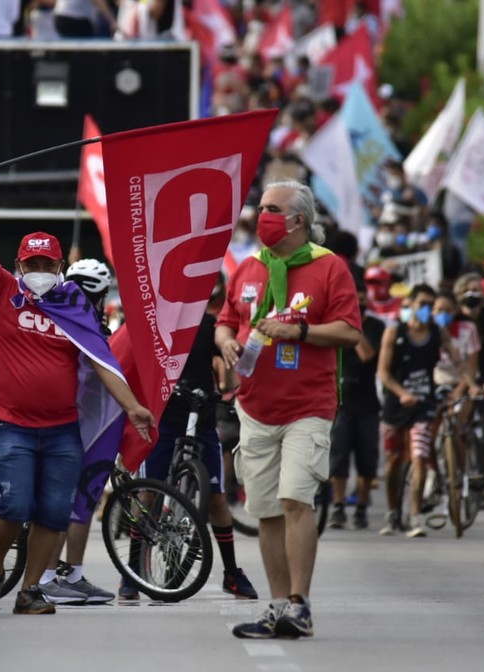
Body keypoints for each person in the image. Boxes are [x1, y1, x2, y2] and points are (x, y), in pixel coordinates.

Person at [0, 164, 154, 615]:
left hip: (63, 430)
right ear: (19, 266)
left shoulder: (75, 308)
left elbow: (102, 361)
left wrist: (132, 406)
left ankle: (30, 590)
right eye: (32, 264)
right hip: (12, 425)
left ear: (61, 267)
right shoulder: (2, 291)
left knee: (53, 512)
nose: (40, 271)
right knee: (14, 504)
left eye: (48, 264)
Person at [215, 180, 361, 639]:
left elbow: (350, 332)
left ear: (298, 220)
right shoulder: (249, 266)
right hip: (255, 406)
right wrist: (227, 343)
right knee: (266, 511)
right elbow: (225, 322)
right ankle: (277, 607)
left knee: (295, 499)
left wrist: (299, 333)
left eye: (272, 209)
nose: (262, 216)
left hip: (308, 406)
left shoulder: (329, 266)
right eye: (261, 208)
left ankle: (300, 604)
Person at [136, 307, 260, 601]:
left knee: (217, 499)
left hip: (202, 418)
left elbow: (228, 364)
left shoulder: (207, 324)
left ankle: (232, 573)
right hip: (163, 419)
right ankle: (131, 570)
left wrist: (231, 376)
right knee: (149, 495)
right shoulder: (153, 318)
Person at [37, 258, 119, 606]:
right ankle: (45, 578)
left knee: (82, 499)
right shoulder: (64, 322)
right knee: (64, 501)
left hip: (82, 423)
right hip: (61, 423)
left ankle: (72, 574)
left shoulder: (87, 324)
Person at [376, 283, 465, 539]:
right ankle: (393, 513)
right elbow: (383, 372)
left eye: (430, 305)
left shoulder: (437, 333)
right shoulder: (394, 332)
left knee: (419, 457)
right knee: (393, 462)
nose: (427, 309)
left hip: (424, 405)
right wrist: (402, 393)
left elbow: (458, 361)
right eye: (422, 304)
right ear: (411, 304)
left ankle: (414, 517)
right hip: (396, 406)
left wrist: (467, 383)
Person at [328, 278, 384, 531]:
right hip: (342, 403)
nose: (357, 302)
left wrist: (353, 324)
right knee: (338, 459)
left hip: (367, 403)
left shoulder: (376, 326)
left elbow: (367, 355)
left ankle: (361, 508)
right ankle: (338, 507)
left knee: (366, 461)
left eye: (360, 298)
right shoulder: (333, 323)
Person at [454, 273, 484, 507]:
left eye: (477, 290)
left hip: (481, 378)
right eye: (468, 290)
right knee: (454, 425)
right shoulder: (454, 317)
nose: (472, 294)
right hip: (457, 378)